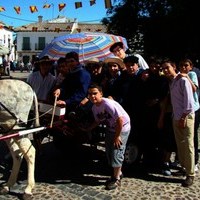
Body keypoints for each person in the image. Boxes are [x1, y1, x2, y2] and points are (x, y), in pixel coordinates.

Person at [82, 84, 131, 190]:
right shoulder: (94, 107)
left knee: (117, 152)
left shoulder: (107, 104)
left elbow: (120, 120)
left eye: (95, 93)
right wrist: (88, 129)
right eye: (90, 94)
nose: (92, 96)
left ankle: (116, 178)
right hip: (111, 128)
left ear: (101, 93)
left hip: (122, 128)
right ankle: (119, 171)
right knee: (109, 151)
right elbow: (98, 120)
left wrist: (117, 136)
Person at [161, 59, 195, 187]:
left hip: (186, 117)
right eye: (163, 69)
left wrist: (183, 118)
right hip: (176, 117)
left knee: (188, 145)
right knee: (180, 145)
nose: (165, 71)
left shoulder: (183, 80)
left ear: (174, 67)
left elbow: (189, 103)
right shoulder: (172, 82)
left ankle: (191, 174)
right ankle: (185, 169)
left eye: (167, 68)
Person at [178, 58, 200, 173]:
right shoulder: (179, 76)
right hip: (182, 110)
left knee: (192, 137)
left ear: (190, 66)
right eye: (181, 65)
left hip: (194, 109)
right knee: (183, 138)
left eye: (186, 65)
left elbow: (194, 88)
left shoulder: (191, 74)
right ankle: (184, 162)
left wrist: (187, 77)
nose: (183, 67)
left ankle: (194, 162)